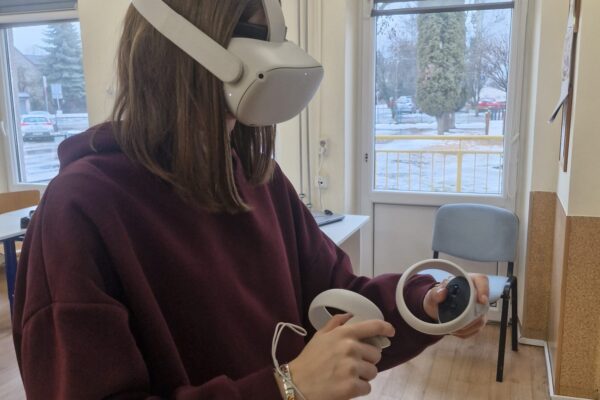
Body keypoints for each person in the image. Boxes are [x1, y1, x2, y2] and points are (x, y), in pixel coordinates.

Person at [12, 1, 489, 399]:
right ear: (188, 49)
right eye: (257, 36)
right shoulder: (81, 208)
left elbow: (338, 298)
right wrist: (285, 386)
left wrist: (424, 304)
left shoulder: (257, 177)